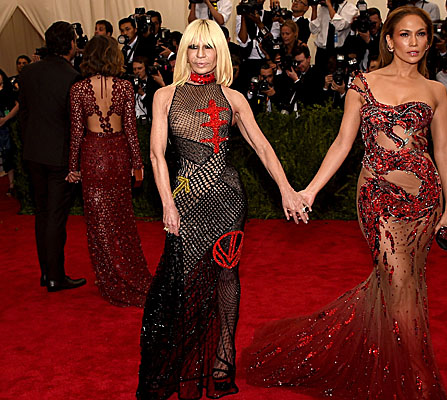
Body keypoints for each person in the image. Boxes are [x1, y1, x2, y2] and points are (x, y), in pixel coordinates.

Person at [244, 6, 447, 399]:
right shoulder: (363, 84)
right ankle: (418, 382)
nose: (413, 42)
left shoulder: (436, 90)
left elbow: (443, 150)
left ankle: (391, 365)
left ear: (429, 41)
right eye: (405, 34)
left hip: (425, 200)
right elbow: (343, 143)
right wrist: (310, 190)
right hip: (377, 197)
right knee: (398, 281)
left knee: (405, 284)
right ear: (389, 40)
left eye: (421, 35)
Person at [136, 19, 308, 399]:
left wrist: (286, 189)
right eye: (194, 47)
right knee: (183, 281)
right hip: (186, 200)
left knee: (227, 275)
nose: (201, 55)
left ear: (220, 52)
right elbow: (157, 155)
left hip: (228, 199)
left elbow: (262, 147)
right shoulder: (165, 96)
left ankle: (223, 359)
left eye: (208, 47)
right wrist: (167, 203)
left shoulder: (233, 99)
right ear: (185, 51)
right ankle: (182, 359)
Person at [66, 35, 152, 307]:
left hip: (93, 155)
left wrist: (73, 167)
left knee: (98, 221)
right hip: (118, 154)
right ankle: (129, 271)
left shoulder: (78, 89)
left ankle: (110, 277)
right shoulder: (125, 86)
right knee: (122, 217)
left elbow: (77, 132)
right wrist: (137, 165)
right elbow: (131, 130)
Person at [18, 21, 86, 291]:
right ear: (70, 44)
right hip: (60, 158)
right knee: (55, 218)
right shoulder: (72, 77)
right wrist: (74, 161)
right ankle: (56, 277)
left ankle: (47, 274)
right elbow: (75, 126)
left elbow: (24, 116)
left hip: (33, 153)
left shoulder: (28, 72)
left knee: (42, 214)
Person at [310, 0, 358, 73]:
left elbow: (339, 26)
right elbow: (313, 30)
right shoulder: (323, 8)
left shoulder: (351, 9)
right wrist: (314, 8)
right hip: (322, 53)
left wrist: (329, 5)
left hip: (339, 52)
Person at [0, 68, 19, 195]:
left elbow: (18, 105)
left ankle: (15, 183)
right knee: (6, 156)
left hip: (11, 124)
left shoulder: (9, 89)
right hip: (1, 128)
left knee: (13, 152)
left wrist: (6, 118)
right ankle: (11, 183)